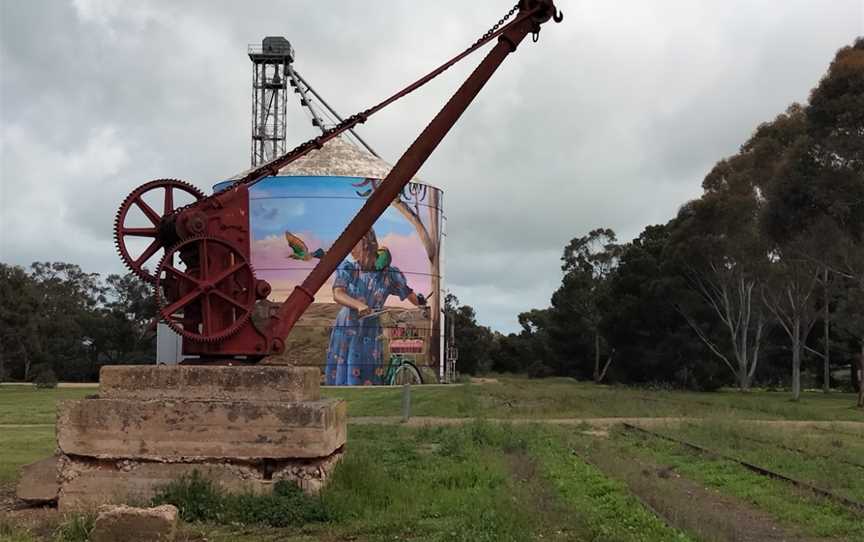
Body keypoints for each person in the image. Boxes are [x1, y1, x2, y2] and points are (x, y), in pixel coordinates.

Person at [324, 229, 425, 385]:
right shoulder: (349, 269)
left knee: (368, 376)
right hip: (348, 327)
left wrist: (422, 304)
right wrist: (359, 305)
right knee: (346, 376)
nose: (350, 249)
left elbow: (408, 293)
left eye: (353, 244)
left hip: (370, 328)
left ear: (364, 243)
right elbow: (338, 294)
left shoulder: (389, 274)